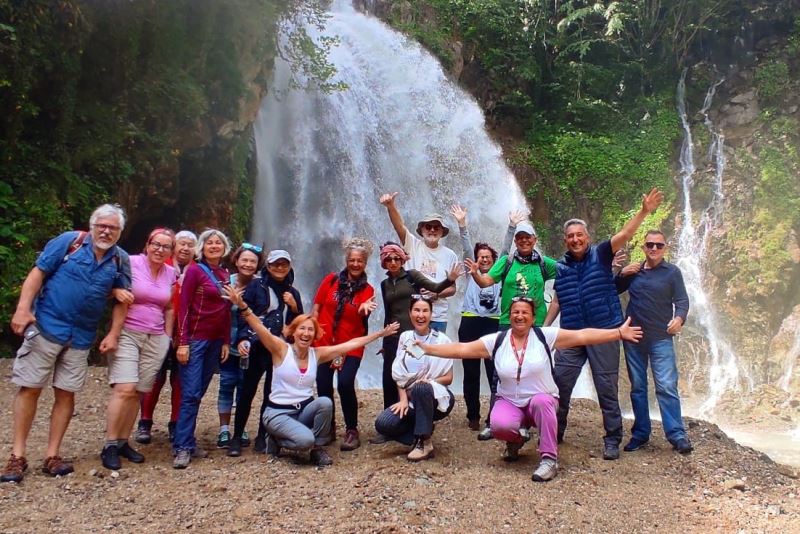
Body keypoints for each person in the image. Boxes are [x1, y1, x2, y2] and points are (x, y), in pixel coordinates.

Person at [418, 297, 643, 482]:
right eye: (515, 312)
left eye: (525, 312)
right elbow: (462, 349)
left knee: (542, 402)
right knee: (498, 425)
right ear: (509, 315)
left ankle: (548, 459)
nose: (520, 316)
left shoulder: (545, 336)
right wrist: (428, 349)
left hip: (541, 398)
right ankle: (515, 440)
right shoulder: (497, 340)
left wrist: (618, 334)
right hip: (509, 400)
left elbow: (582, 335)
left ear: (533, 317)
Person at [2, 204, 132, 483]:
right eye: (102, 226)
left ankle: (52, 454)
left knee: (66, 393)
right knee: (30, 388)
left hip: (81, 336)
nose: (106, 231)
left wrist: (113, 333)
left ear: (120, 232)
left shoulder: (120, 260)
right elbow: (37, 274)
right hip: (47, 326)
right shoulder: (70, 242)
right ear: (93, 225)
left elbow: (124, 300)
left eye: (113, 228)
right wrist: (23, 309)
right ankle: (17, 455)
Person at [543, 187, 664, 460]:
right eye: (571, 236)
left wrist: (645, 211)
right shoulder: (560, 268)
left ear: (587, 237)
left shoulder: (601, 254)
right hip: (572, 334)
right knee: (559, 384)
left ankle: (612, 438)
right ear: (565, 240)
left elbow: (625, 235)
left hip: (605, 330)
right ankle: (555, 432)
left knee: (606, 387)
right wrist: (543, 330)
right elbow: (557, 301)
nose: (575, 239)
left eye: (579, 235)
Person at [225, 285, 399, 466]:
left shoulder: (317, 354)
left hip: (302, 412)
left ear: (315, 335)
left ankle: (314, 446)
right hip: (278, 414)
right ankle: (278, 440)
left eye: (310, 330)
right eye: (302, 329)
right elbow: (258, 327)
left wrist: (380, 333)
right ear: (293, 331)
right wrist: (242, 305)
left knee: (325, 403)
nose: (306, 333)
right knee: (305, 440)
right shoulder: (281, 349)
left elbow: (350, 344)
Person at [464, 215, 557, 440]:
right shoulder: (506, 261)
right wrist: (476, 272)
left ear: (535, 240)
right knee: (500, 375)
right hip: (506, 324)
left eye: (528, 238)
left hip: (535, 326)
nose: (524, 241)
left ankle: (530, 420)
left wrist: (549, 320)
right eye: (520, 238)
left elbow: (569, 274)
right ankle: (493, 421)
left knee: (532, 372)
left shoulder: (545, 263)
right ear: (515, 240)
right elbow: (486, 282)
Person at [99, 228, 177, 470]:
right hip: (128, 333)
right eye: (156, 244)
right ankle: (110, 444)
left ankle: (123, 441)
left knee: (138, 391)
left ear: (171, 252)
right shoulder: (130, 262)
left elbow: (170, 306)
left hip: (156, 337)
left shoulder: (171, 273)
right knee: (124, 388)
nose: (159, 249)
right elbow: (102, 283)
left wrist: (168, 335)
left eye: (165, 246)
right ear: (147, 244)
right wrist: (114, 292)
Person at [615, 230, 692, 454]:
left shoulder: (672, 273)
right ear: (644, 248)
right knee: (638, 387)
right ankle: (640, 433)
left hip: (661, 338)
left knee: (666, 386)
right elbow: (612, 289)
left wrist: (679, 319)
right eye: (650, 245)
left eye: (659, 245)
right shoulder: (634, 271)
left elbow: (682, 301)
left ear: (665, 248)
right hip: (634, 336)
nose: (654, 249)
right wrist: (621, 274)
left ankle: (676, 434)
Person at [228, 249, 303, 457]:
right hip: (257, 344)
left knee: (271, 393)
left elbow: (301, 323)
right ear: (268, 266)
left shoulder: (292, 293)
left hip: (279, 350)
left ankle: (263, 435)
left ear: (289, 267)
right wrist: (242, 338)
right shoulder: (256, 286)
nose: (280, 268)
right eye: (275, 264)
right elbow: (244, 315)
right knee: (246, 392)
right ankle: (236, 436)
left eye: (284, 264)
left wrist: (295, 307)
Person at [173, 229, 232, 469]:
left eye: (219, 242)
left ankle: (187, 439)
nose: (214, 246)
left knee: (198, 392)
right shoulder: (195, 270)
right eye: (210, 243)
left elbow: (227, 311)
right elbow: (183, 307)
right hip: (195, 340)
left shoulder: (225, 273)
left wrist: (226, 340)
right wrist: (183, 341)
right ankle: (182, 447)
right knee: (190, 393)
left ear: (224, 248)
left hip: (215, 342)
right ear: (202, 247)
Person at [376, 241, 459, 411]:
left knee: (414, 375)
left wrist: (449, 279)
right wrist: (384, 342)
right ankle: (390, 416)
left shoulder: (412, 276)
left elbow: (435, 287)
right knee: (388, 377)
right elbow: (388, 312)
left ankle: (418, 414)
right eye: (389, 259)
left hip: (412, 338)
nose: (393, 262)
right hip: (392, 337)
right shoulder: (384, 284)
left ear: (402, 260)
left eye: (396, 258)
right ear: (384, 262)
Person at [312, 238, 378, 452]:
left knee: (345, 383)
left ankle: (351, 430)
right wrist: (312, 332)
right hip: (324, 344)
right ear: (346, 260)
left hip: (351, 346)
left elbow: (365, 308)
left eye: (359, 261)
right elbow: (317, 306)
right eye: (352, 260)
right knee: (323, 385)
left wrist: (363, 309)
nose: (355, 264)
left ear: (365, 263)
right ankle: (327, 428)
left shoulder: (367, 289)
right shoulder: (330, 281)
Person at [374, 296, 455, 461]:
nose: (421, 315)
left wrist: (430, 382)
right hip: (410, 399)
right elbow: (399, 374)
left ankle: (423, 443)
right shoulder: (405, 337)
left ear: (431, 314)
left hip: (436, 398)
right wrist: (403, 399)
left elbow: (449, 378)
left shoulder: (442, 340)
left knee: (421, 388)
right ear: (410, 313)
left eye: (425, 310)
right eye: (416, 310)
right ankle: (422, 430)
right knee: (383, 424)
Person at [135, 230, 196, 445]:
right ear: (173, 247)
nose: (185, 248)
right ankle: (145, 421)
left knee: (180, 379)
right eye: (181, 243)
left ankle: (175, 423)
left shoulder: (197, 271)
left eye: (190, 244)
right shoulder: (161, 267)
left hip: (186, 332)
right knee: (154, 376)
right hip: (158, 328)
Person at [379, 192, 459, 331]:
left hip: (437, 316)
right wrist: (391, 206)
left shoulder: (450, 255)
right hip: (412, 315)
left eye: (436, 227)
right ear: (421, 230)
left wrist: (437, 294)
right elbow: (399, 227)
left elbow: (452, 289)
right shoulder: (412, 245)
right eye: (428, 227)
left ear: (442, 231)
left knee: (435, 353)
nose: (432, 230)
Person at [216, 243, 263, 450]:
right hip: (227, 342)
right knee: (226, 383)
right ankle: (224, 428)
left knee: (245, 387)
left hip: (250, 345)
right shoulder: (225, 283)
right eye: (244, 260)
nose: (248, 264)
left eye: (252, 261)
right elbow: (216, 312)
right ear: (236, 261)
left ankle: (240, 427)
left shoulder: (261, 285)